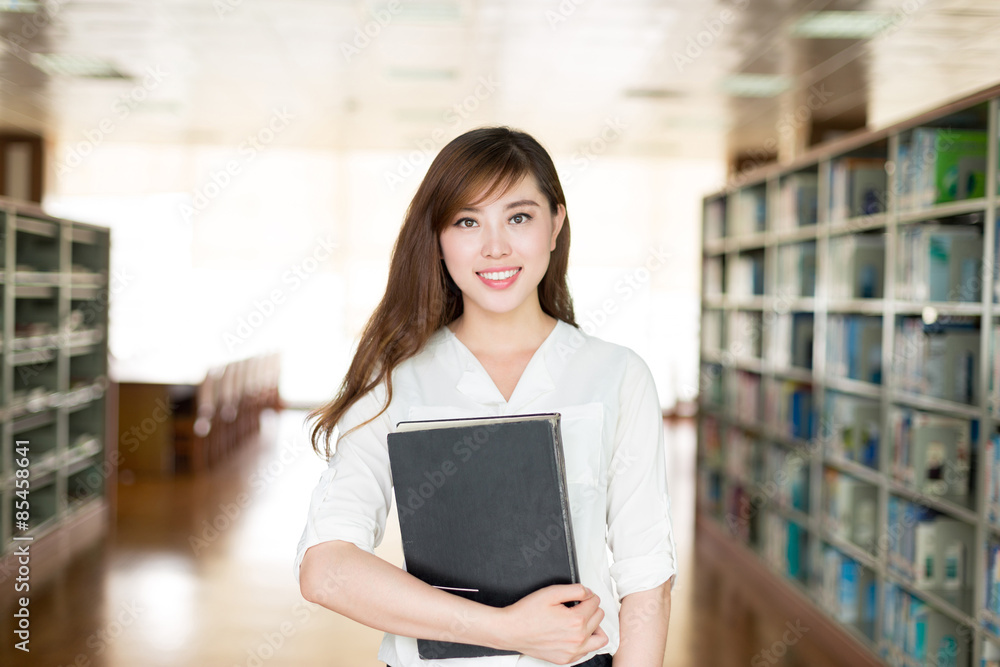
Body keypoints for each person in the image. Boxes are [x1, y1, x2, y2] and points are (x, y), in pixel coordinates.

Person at [295, 126, 677, 666]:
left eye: (518, 217)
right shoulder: (395, 378)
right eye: (467, 221)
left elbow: (646, 577)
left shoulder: (616, 375)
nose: (495, 246)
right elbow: (326, 569)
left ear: (555, 225)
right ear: (439, 236)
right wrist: (506, 630)